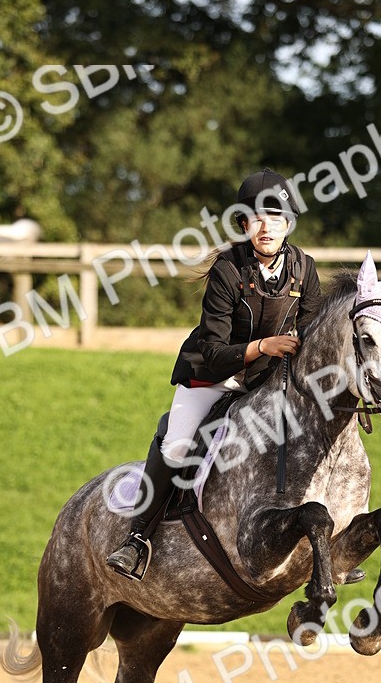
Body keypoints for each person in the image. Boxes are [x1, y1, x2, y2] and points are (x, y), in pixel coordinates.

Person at [107, 167, 323, 580]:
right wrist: (263, 347)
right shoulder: (228, 269)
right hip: (213, 374)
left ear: (288, 224)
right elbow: (214, 350)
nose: (266, 227)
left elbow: (311, 334)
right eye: (256, 218)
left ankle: (329, 542)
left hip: (266, 381)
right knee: (176, 446)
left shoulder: (304, 268)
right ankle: (136, 539)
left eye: (275, 218)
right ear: (243, 224)